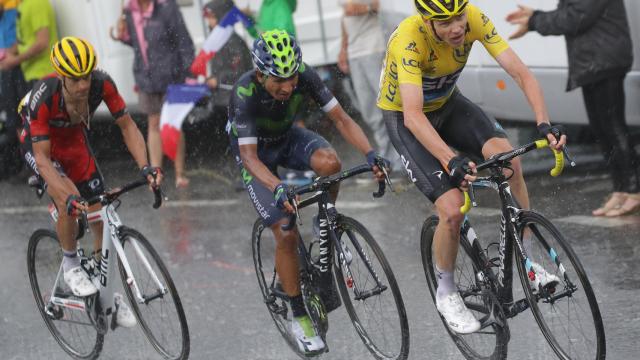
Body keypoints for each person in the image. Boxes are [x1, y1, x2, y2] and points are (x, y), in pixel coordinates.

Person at [377, 0, 566, 333]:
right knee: (451, 209)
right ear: (426, 21)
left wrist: (544, 124)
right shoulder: (408, 39)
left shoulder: (474, 19)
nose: (457, 28)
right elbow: (413, 116)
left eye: (460, 17)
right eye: (445, 22)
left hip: (449, 105)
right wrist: (450, 159)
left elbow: (520, 72)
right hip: (408, 119)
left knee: (510, 162)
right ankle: (446, 291)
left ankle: (529, 264)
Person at [229, 29, 386, 355]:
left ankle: (322, 222)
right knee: (285, 230)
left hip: (287, 139)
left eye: (291, 78)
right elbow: (249, 158)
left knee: (330, 163)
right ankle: (298, 317)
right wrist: (277, 186)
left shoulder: (305, 76)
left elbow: (342, 119)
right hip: (256, 156)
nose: (288, 86)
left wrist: (371, 154)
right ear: (260, 74)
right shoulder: (244, 92)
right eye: (278, 80)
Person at [18, 36, 163, 328]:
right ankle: (71, 264)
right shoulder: (44, 96)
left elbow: (127, 124)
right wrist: (66, 197)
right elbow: (43, 160)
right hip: (40, 145)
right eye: (75, 79)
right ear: (61, 76)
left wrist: (146, 166)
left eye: (86, 76)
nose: (83, 84)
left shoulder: (102, 83)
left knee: (99, 212)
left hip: (72, 140)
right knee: (69, 199)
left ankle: (103, 292)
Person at [506, 0, 640, 217]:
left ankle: (633, 191)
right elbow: (572, 13)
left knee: (614, 129)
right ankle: (621, 189)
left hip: (604, 59)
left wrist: (535, 20)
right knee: (604, 131)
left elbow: (575, 18)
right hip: (595, 61)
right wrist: (536, 17)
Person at [112, 0, 194, 187]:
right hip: (146, 77)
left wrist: (189, 73)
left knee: (172, 124)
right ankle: (157, 173)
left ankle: (180, 173)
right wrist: (123, 36)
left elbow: (183, 39)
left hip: (172, 75)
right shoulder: (129, 10)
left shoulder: (166, 6)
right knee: (154, 123)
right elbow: (138, 42)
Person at [338, 0, 401, 172]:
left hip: (373, 48)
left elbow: (379, 5)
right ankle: (389, 158)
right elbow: (345, 16)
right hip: (355, 51)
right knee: (369, 111)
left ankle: (400, 159)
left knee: (387, 104)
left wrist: (364, 7)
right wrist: (343, 48)